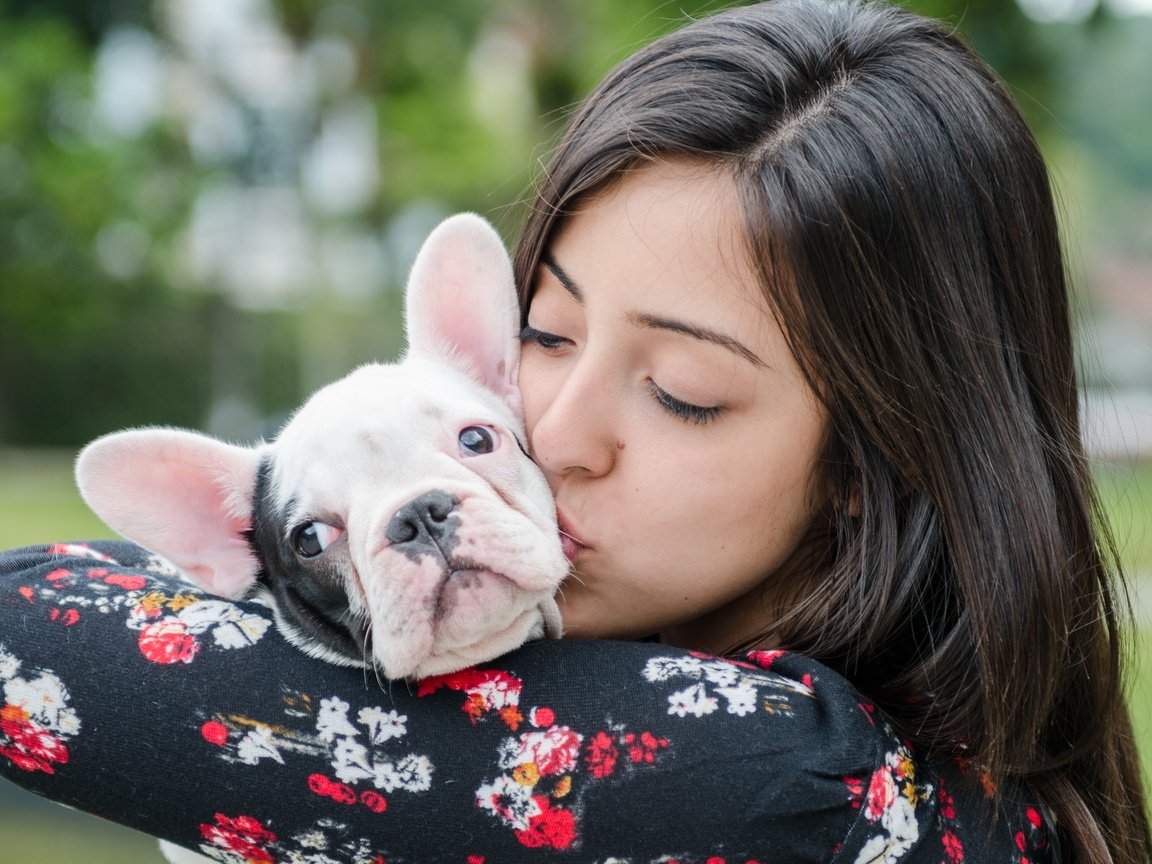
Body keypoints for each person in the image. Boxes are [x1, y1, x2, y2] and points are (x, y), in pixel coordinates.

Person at [1, 0, 1148, 861]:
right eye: (545, 335)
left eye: (683, 390)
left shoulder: (784, 785)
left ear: (873, 457)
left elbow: (40, 639)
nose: (559, 429)